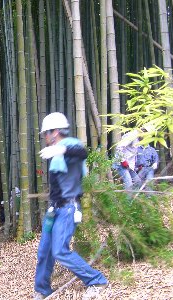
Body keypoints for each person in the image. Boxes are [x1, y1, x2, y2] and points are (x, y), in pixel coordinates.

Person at [33, 112, 108, 300]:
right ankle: (42, 290)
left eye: (46, 134)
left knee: (60, 250)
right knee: (44, 251)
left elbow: (82, 153)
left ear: (55, 132)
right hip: (55, 209)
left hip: (68, 208)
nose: (45, 138)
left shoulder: (71, 145)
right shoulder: (57, 152)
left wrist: (61, 150)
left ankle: (96, 280)